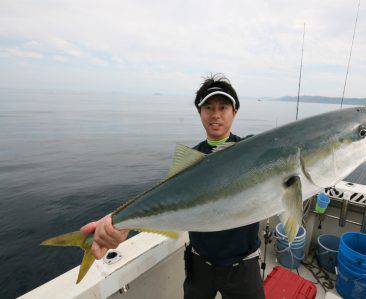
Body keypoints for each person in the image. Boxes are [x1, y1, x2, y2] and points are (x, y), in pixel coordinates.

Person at [80, 74, 264, 299]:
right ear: (200, 113)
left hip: (243, 267)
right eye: (208, 107)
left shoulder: (251, 151)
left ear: (234, 112)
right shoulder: (190, 162)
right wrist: (119, 222)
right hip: (199, 265)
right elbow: (163, 200)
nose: (216, 114)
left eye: (223, 107)